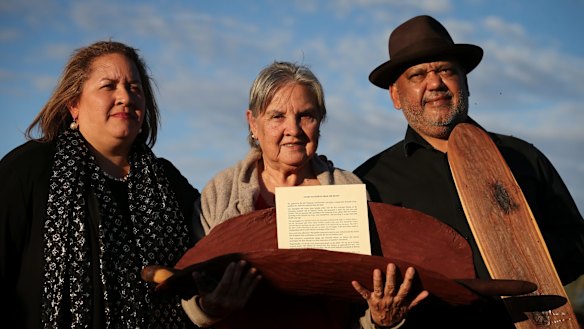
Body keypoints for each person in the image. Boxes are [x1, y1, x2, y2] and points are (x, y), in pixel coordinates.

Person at [354, 15, 584, 327]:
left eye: (445, 70)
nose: (435, 83)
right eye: (418, 75)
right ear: (396, 95)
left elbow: (578, 243)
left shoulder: (523, 157)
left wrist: (524, 254)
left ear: (465, 81)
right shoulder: (371, 181)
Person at [180, 61, 428, 329]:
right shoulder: (220, 193)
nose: (293, 129)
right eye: (277, 116)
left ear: (319, 122)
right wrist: (209, 308)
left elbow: (368, 293)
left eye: (306, 115)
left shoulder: (348, 190)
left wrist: (380, 319)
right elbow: (190, 287)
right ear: (253, 122)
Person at [0, 40, 203, 328]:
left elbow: (213, 245)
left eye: (134, 88)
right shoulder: (29, 170)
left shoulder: (168, 182)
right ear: (74, 104)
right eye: (109, 86)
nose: (125, 97)